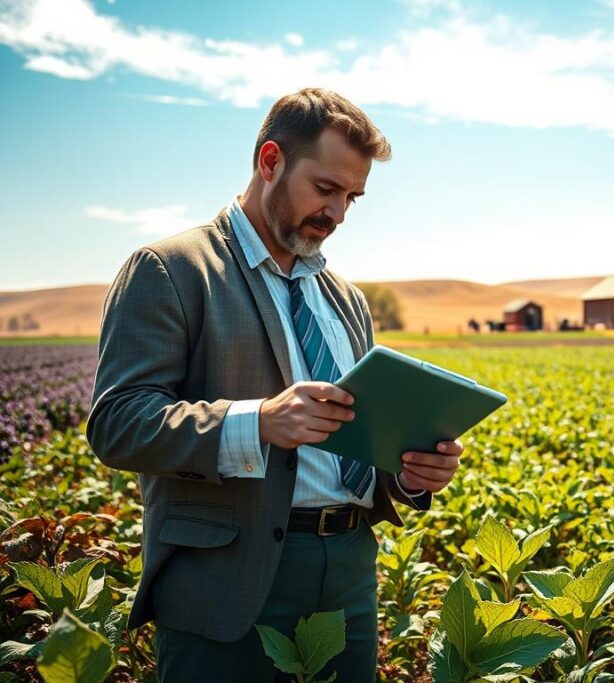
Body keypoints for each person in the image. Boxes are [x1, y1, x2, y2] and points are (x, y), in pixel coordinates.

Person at [86, 87, 462, 682]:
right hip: (226, 584)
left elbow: (358, 442)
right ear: (270, 161)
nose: (337, 213)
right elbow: (118, 423)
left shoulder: (347, 300)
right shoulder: (172, 269)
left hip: (350, 574)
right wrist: (257, 421)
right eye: (325, 189)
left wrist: (409, 475)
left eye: (352, 198)